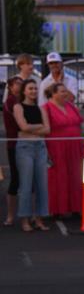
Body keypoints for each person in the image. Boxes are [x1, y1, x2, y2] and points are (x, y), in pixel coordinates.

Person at [13, 78, 50, 232]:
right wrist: (38, 126)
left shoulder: (41, 108)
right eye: (30, 88)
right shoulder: (18, 107)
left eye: (35, 88)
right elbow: (22, 126)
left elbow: (47, 130)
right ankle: (25, 219)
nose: (34, 91)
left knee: (42, 185)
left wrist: (31, 128)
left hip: (40, 147)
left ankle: (39, 218)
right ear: (24, 91)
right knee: (26, 185)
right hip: (25, 147)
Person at [43, 82, 84, 217]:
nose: (65, 93)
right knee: (58, 178)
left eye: (65, 91)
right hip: (57, 148)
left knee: (75, 175)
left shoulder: (71, 106)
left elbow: (79, 125)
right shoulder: (46, 108)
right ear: (53, 94)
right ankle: (57, 209)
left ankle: (76, 207)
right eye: (62, 91)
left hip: (74, 147)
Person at [2, 76, 23, 226]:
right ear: (10, 86)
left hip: (26, 143)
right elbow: (20, 124)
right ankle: (10, 215)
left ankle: (28, 215)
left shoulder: (23, 101)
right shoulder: (10, 102)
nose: (20, 86)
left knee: (28, 180)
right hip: (14, 144)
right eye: (17, 84)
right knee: (15, 179)